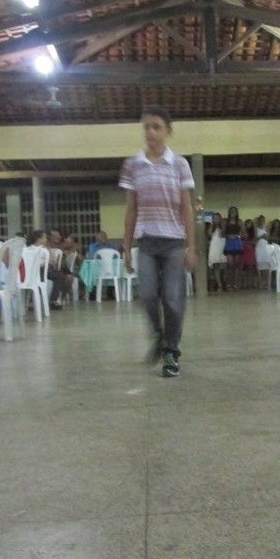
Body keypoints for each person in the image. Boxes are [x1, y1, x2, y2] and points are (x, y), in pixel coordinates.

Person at [121, 105, 195, 377]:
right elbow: (131, 209)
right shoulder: (133, 165)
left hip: (174, 242)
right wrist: (127, 247)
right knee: (149, 295)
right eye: (146, 127)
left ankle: (171, 351)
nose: (150, 132)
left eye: (156, 127)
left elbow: (187, 209)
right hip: (147, 242)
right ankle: (159, 335)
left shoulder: (180, 165)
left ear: (168, 131)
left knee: (174, 300)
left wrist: (192, 246)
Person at [223, 206, 243, 291]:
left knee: (236, 265)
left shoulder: (239, 221)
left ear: (237, 212)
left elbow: (243, 233)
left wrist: (236, 236)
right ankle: (229, 283)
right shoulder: (225, 222)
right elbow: (222, 234)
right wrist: (228, 236)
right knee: (230, 264)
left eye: (234, 211)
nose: (233, 212)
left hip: (237, 243)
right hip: (229, 243)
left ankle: (236, 283)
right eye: (231, 211)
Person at [207, 212, 226, 292]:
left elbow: (224, 235)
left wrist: (222, 225)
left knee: (223, 265)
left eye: (218, 218)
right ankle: (219, 284)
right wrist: (212, 225)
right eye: (215, 218)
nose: (216, 219)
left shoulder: (223, 226)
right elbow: (209, 234)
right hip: (214, 247)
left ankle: (223, 282)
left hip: (222, 247)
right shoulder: (212, 227)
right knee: (216, 266)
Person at [241, 218, 257, 288]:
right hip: (244, 250)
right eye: (247, 223)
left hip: (251, 251)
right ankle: (245, 284)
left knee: (251, 268)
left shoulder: (253, 232)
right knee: (244, 268)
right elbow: (241, 240)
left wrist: (249, 243)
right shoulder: (243, 231)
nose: (248, 225)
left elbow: (254, 241)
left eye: (250, 223)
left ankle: (251, 283)